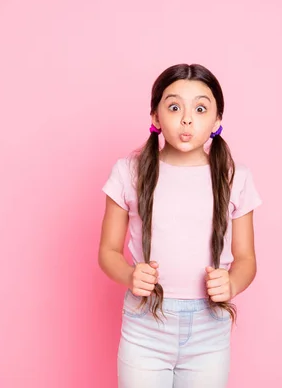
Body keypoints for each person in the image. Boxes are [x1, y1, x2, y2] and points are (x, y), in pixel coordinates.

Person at [98, 63, 262, 388]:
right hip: (145, 325)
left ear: (217, 121)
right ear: (156, 117)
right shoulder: (129, 173)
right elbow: (107, 251)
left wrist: (231, 284)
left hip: (209, 328)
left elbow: (246, 259)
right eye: (174, 107)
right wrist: (130, 275)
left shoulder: (235, 178)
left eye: (200, 108)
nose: (187, 119)